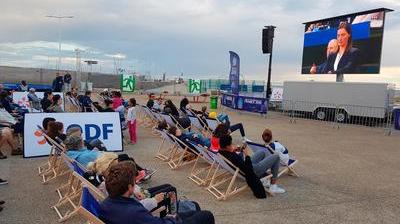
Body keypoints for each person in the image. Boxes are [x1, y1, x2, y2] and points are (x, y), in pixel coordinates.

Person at [99, 161, 215, 224]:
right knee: (206, 215)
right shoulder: (133, 212)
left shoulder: (106, 204)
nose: (135, 186)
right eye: (134, 183)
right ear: (129, 187)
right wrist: (172, 218)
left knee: (193, 209)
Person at [219, 135, 285, 195]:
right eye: (231, 144)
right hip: (253, 170)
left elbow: (238, 161)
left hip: (245, 165)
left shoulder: (221, 152)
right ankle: (273, 186)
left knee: (262, 152)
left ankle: (264, 179)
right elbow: (247, 169)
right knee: (276, 157)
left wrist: (233, 150)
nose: (232, 145)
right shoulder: (232, 156)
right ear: (227, 146)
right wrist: (246, 155)